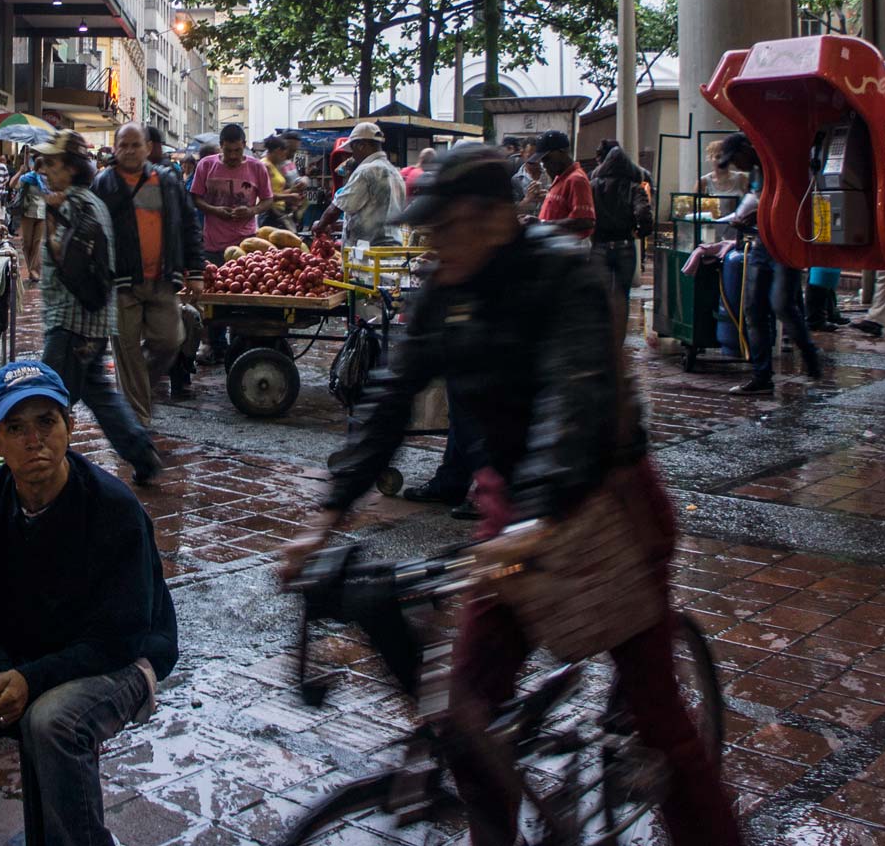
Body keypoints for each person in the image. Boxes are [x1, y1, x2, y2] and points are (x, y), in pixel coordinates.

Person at [280, 145, 742, 846]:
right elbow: (391, 397)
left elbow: (572, 396)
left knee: (658, 718)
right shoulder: (444, 284)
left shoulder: (564, 273)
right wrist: (327, 512)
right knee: (464, 709)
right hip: (512, 508)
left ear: (496, 218)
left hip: (602, 503)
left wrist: (537, 518)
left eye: (448, 225)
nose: (433, 242)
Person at [0, 361, 177, 846]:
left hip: (126, 655)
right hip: (39, 655)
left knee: (52, 720)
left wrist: (30, 678)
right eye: (16, 428)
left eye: (47, 423)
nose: (35, 441)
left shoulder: (113, 508)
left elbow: (119, 637)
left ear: (69, 428)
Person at [34, 130, 164, 487]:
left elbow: (69, 263)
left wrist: (52, 214)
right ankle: (142, 453)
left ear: (72, 168)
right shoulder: (90, 202)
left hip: (71, 320)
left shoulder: (71, 205)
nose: (46, 169)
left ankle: (37, 469)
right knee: (100, 395)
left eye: (53, 163)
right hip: (91, 321)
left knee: (46, 402)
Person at [94, 123, 203, 425]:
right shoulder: (103, 184)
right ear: (115, 148)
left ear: (147, 147)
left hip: (162, 281)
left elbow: (189, 226)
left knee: (171, 340)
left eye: (135, 144)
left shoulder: (168, 181)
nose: (129, 150)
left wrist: (196, 271)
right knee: (127, 353)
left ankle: (134, 385)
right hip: (121, 285)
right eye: (123, 145)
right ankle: (138, 427)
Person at [713, 132, 823, 395]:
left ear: (747, 149)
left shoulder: (777, 164)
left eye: (735, 159)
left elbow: (788, 201)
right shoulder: (755, 172)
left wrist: (756, 214)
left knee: (782, 304)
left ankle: (810, 356)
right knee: (754, 308)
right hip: (762, 243)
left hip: (785, 242)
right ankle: (762, 376)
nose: (736, 166)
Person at [191, 123, 274, 363]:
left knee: (245, 296)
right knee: (215, 299)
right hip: (213, 243)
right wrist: (215, 209)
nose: (233, 157)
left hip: (246, 243)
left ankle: (239, 346)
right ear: (221, 148)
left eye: (237, 151)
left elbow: (268, 200)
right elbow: (196, 198)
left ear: (244, 146)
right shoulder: (206, 166)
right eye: (228, 151)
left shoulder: (257, 168)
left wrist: (252, 210)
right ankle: (217, 347)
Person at [313, 121, 404, 246]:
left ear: (361, 145)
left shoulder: (366, 171)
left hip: (368, 252)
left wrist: (320, 225)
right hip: (393, 248)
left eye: (353, 148)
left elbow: (337, 208)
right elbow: (374, 216)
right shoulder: (395, 172)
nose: (353, 155)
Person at [590, 140, 647, 308]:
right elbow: (643, 212)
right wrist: (641, 232)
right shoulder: (634, 187)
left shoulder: (593, 185)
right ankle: (619, 332)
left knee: (599, 296)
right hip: (625, 244)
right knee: (623, 296)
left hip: (599, 244)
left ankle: (602, 332)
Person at [532, 131, 594, 236]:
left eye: (547, 159)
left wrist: (543, 224)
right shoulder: (560, 178)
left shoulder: (576, 180)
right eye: (542, 161)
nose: (544, 165)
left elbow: (585, 221)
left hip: (569, 249)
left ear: (562, 152)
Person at [12, 155, 49, 285]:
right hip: (28, 213)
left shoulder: (47, 180)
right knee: (27, 243)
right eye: (44, 167)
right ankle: (30, 268)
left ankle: (35, 272)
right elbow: (12, 185)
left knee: (37, 243)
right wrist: (20, 172)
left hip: (42, 214)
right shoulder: (27, 178)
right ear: (38, 167)